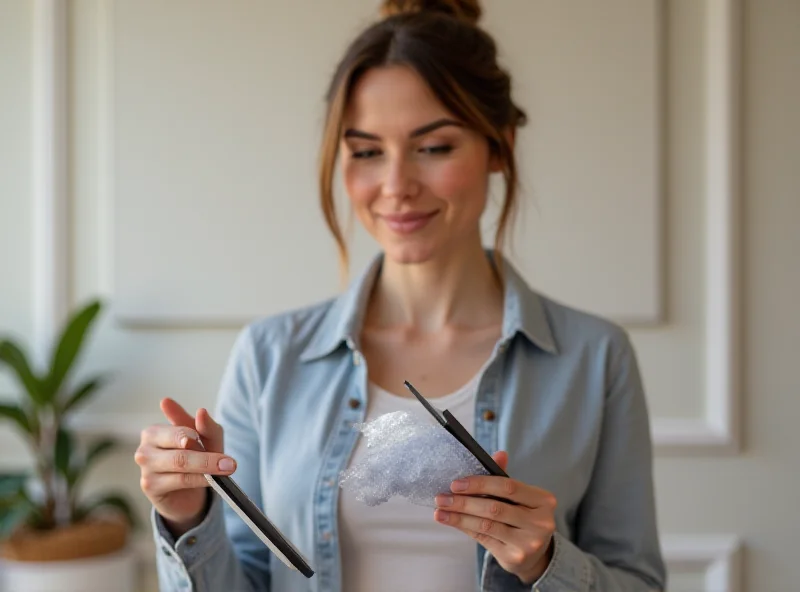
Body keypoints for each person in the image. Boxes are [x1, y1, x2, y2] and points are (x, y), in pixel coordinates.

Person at [135, 1, 667, 590]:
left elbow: (639, 582)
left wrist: (546, 565)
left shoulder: (595, 359)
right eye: (366, 151)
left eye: (434, 147)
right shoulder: (268, 356)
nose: (396, 186)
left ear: (499, 145)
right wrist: (187, 515)